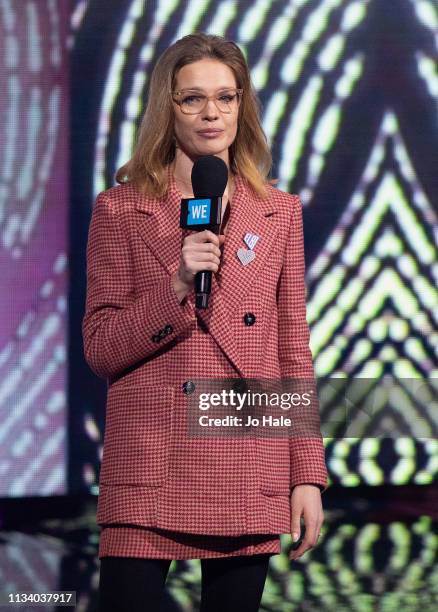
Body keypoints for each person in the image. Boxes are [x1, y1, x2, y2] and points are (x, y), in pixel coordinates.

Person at [82, 32, 328, 612]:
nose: (211, 112)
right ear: (167, 107)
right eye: (192, 98)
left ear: (243, 104)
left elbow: (292, 348)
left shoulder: (278, 213)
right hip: (151, 459)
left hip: (245, 447)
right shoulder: (120, 209)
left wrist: (306, 475)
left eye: (226, 96)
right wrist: (173, 290)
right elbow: (99, 347)